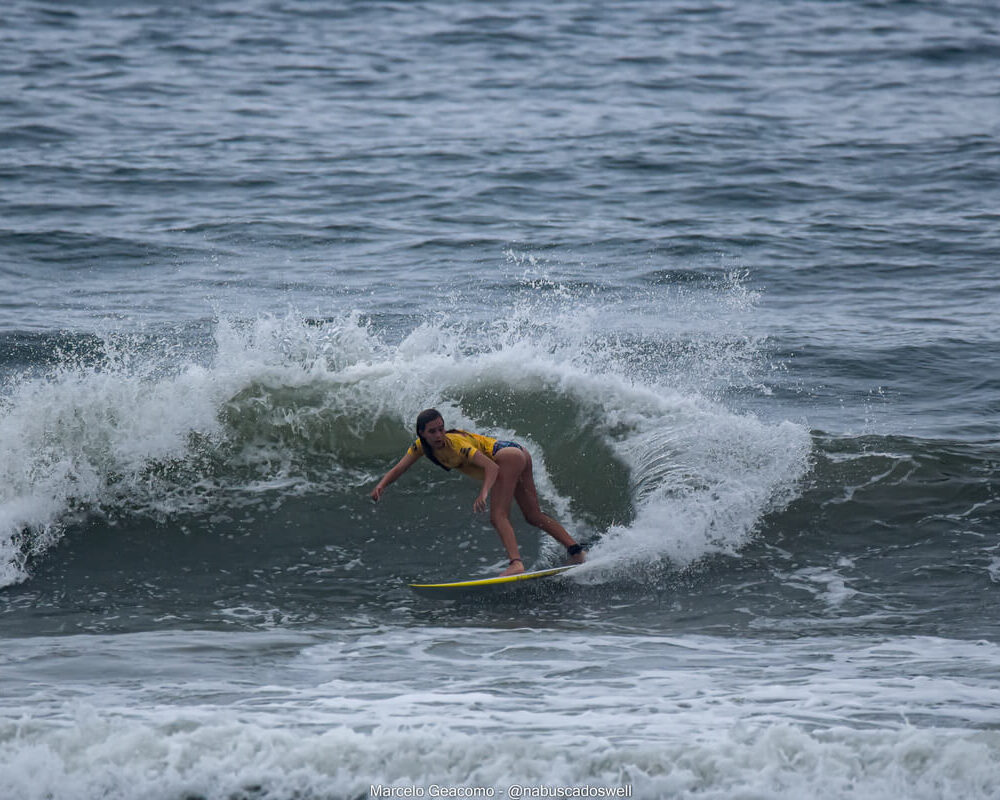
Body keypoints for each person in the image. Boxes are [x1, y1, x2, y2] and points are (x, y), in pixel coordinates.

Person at [370, 408, 586, 576]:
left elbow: (492, 467)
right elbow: (400, 467)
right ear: (421, 433)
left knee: (498, 515)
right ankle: (576, 552)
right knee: (533, 516)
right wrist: (381, 485)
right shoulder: (420, 447)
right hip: (518, 452)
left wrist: (483, 494)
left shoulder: (455, 445)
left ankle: (516, 564)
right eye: (432, 431)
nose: (439, 435)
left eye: (441, 429)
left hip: (507, 456)